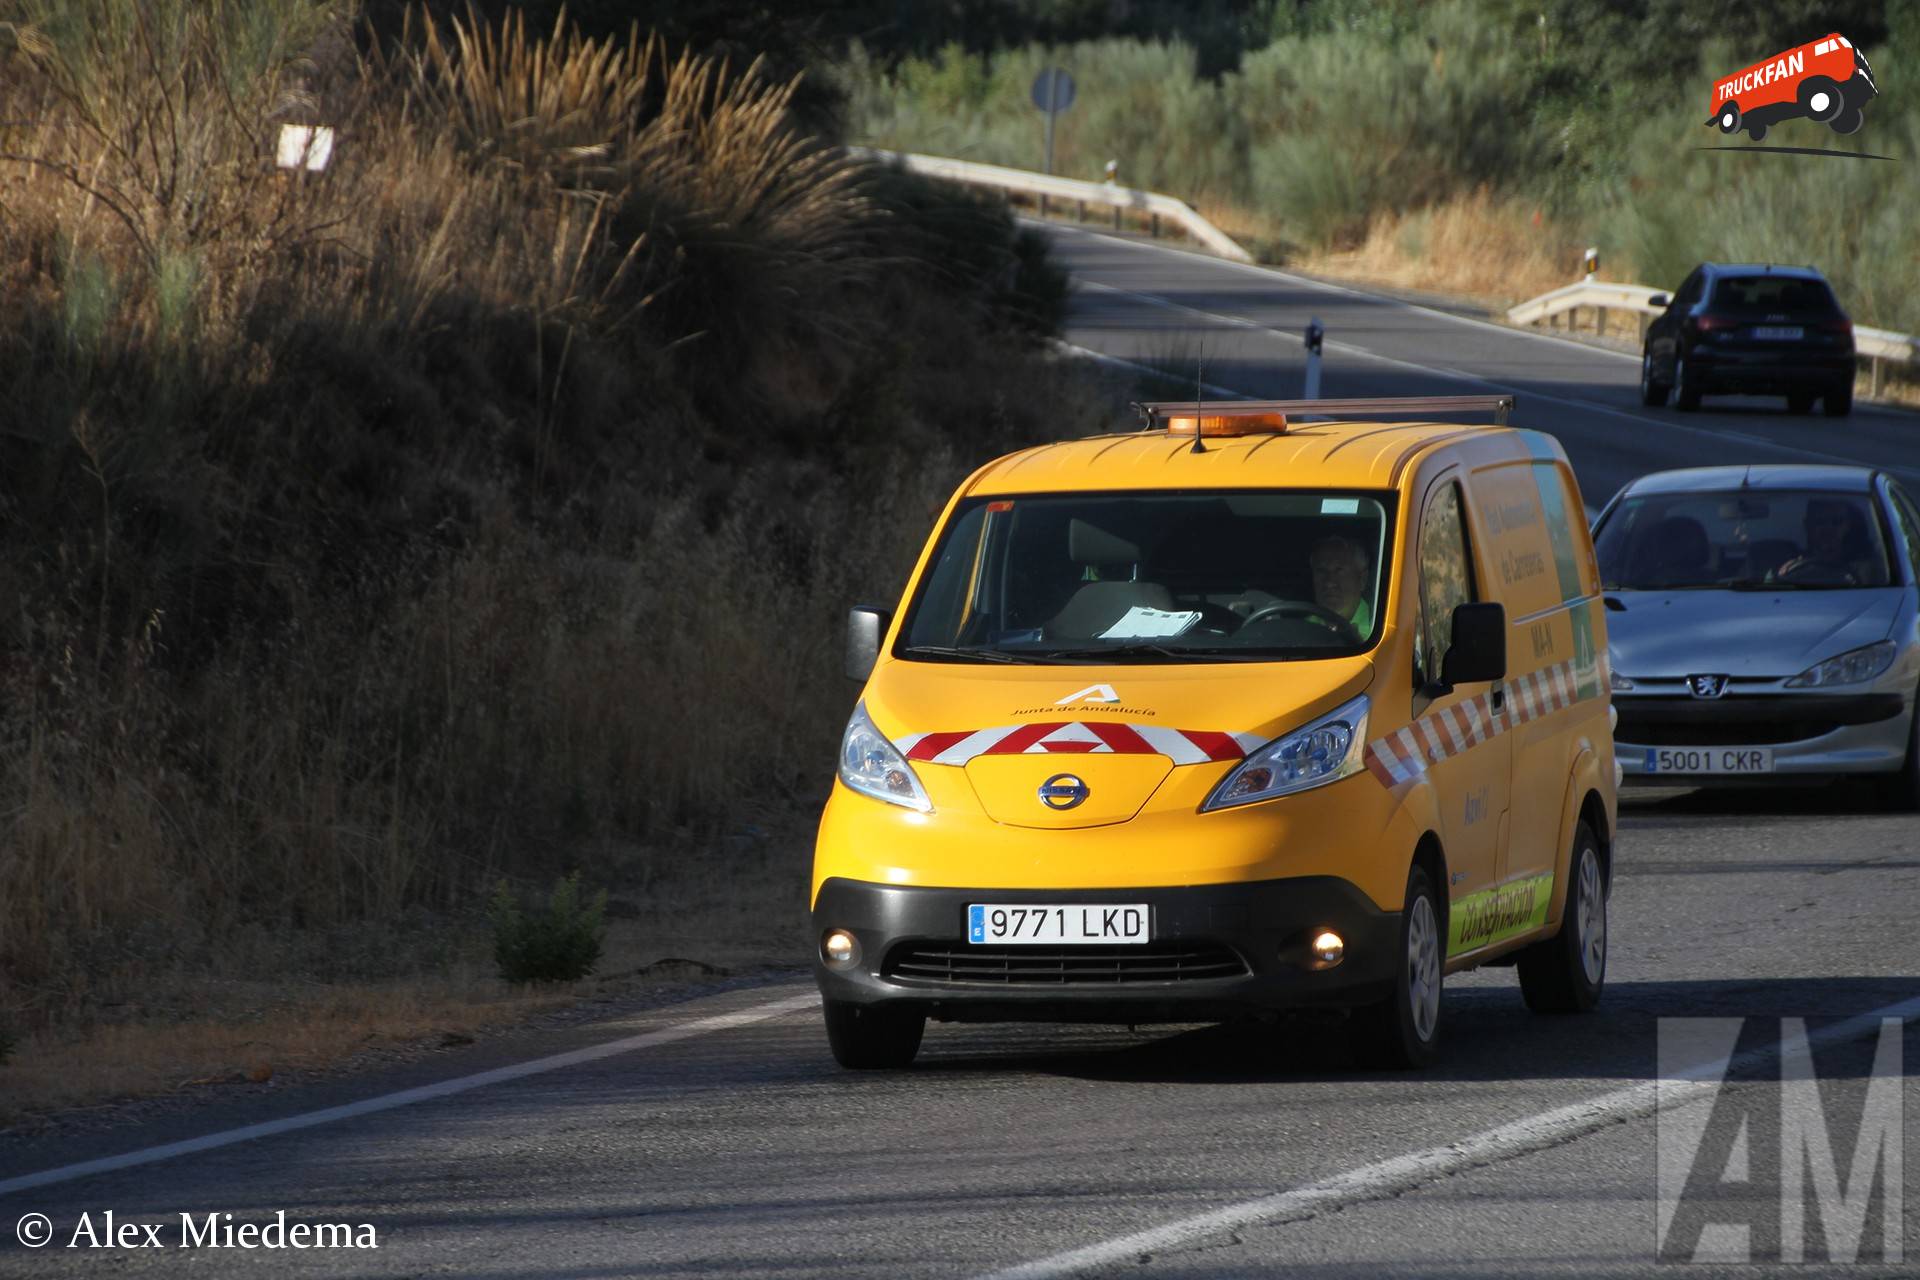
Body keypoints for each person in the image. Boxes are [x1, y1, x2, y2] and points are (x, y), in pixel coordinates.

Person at [1772, 498, 1876, 584]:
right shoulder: (1788, 567)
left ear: (1847, 526)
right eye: (1820, 522)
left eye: (1836, 522)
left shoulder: (1870, 566)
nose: (1828, 529)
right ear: (1807, 525)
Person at [1309, 533, 1374, 633]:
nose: (1329, 582)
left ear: (1362, 579)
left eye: (1339, 570)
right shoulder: (1301, 629)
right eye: (1321, 571)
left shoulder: (1380, 629)